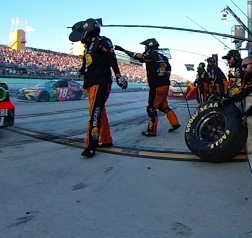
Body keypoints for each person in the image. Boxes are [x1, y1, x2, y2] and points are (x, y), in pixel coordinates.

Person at [69, 18, 128, 158]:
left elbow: (111, 58)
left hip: (100, 82)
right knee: (99, 112)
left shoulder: (102, 41)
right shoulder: (88, 46)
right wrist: (81, 70)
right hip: (90, 83)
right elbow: (86, 64)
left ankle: (91, 145)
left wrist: (119, 75)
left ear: (88, 28)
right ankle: (106, 140)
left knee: (94, 113)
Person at [115, 38, 180, 136]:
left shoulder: (151, 55)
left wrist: (123, 50)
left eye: (146, 46)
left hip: (156, 86)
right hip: (165, 85)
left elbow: (138, 56)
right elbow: (169, 69)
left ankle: (151, 131)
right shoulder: (164, 57)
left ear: (149, 46)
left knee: (151, 108)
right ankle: (175, 123)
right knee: (163, 106)